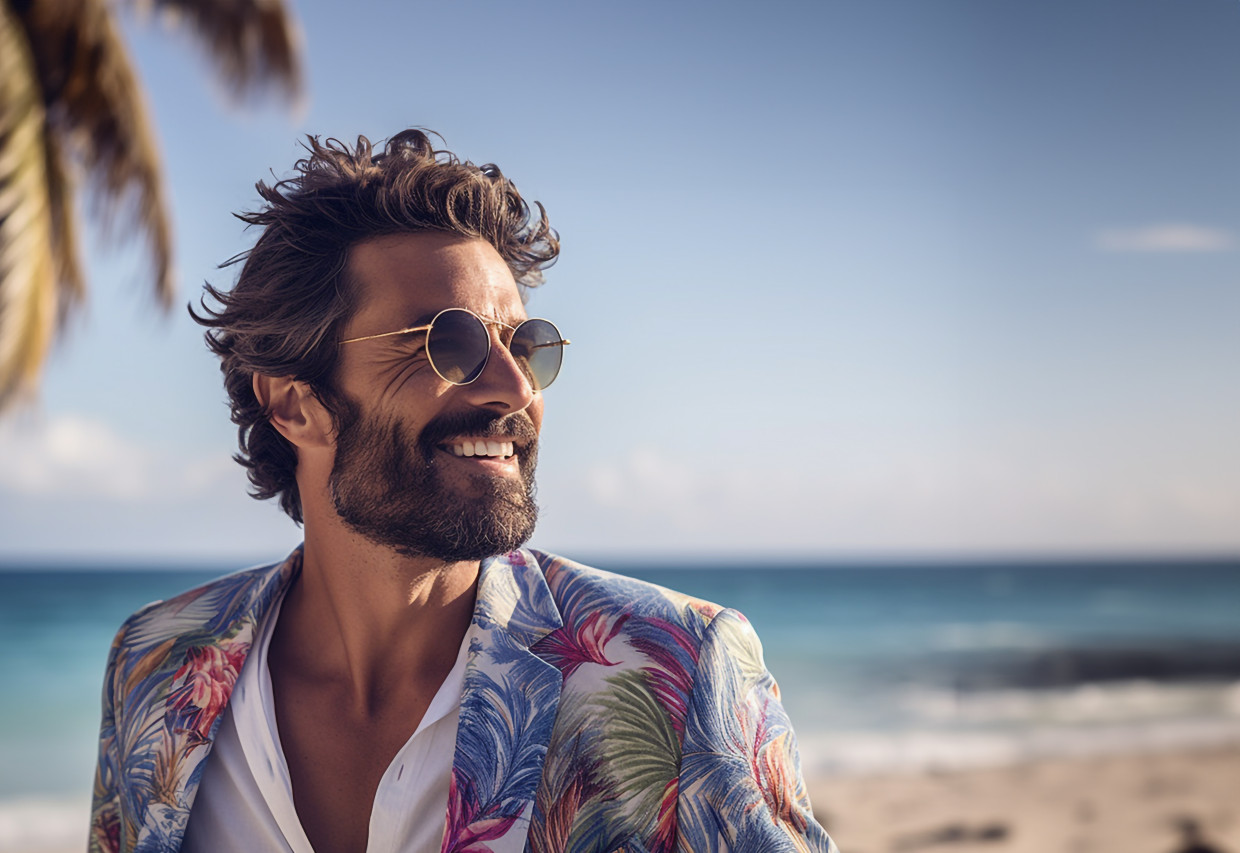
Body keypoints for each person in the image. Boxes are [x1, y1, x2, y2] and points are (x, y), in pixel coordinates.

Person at [88, 130, 837, 853]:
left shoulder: (673, 670)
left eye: (525, 343)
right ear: (295, 404)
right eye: (448, 343)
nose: (515, 388)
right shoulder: (154, 665)